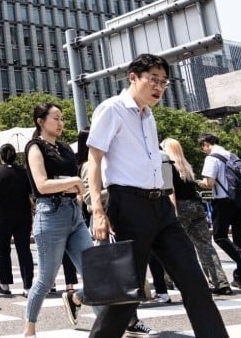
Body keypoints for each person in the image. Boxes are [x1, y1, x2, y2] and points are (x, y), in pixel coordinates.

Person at [86, 53, 228, 338]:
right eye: (153, 80)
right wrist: (98, 210)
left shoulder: (148, 115)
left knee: (194, 281)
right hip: (128, 206)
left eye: (164, 82)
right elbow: (94, 159)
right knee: (128, 291)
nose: (159, 87)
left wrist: (169, 204)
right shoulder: (111, 109)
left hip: (161, 207)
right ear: (133, 78)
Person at [22, 103, 92, 337]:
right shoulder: (35, 147)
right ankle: (29, 329)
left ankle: (84, 304)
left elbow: (74, 184)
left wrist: (76, 189)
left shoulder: (64, 149)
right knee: (45, 279)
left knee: (94, 273)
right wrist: (75, 182)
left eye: (62, 119)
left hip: (74, 213)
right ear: (41, 121)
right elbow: (41, 185)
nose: (61, 123)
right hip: (50, 214)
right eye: (55, 118)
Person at [161, 137, 232, 295]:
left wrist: (172, 212)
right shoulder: (186, 166)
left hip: (180, 207)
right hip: (196, 207)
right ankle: (220, 283)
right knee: (205, 246)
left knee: (171, 245)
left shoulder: (167, 166)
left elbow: (170, 190)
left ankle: (168, 280)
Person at [198, 132, 241, 290]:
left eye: (203, 147)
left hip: (223, 201)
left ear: (206, 144)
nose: (204, 150)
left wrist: (197, 182)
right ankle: (239, 278)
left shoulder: (212, 158)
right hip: (240, 200)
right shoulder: (231, 155)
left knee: (220, 236)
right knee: (239, 237)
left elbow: (210, 183)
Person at [0, 143, 34, 298]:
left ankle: (5, 284)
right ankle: (27, 286)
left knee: (3, 250)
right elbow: (30, 197)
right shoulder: (24, 173)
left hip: (3, 217)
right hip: (23, 217)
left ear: (0, 156)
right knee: (24, 250)